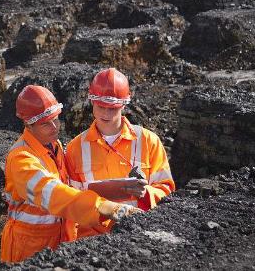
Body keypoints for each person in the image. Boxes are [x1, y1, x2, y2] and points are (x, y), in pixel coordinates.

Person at [0, 84, 141, 263]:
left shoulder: (54, 145)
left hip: (59, 241)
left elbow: (68, 187)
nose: (54, 127)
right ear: (28, 125)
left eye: (56, 119)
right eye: (45, 124)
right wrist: (102, 207)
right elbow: (51, 192)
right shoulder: (21, 159)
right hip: (27, 247)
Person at [65, 68, 175, 240]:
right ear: (92, 101)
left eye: (113, 108)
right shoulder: (75, 148)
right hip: (93, 238)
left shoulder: (148, 141)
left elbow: (166, 190)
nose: (105, 113)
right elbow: (72, 200)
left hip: (139, 232)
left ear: (124, 104)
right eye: (101, 106)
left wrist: (146, 193)